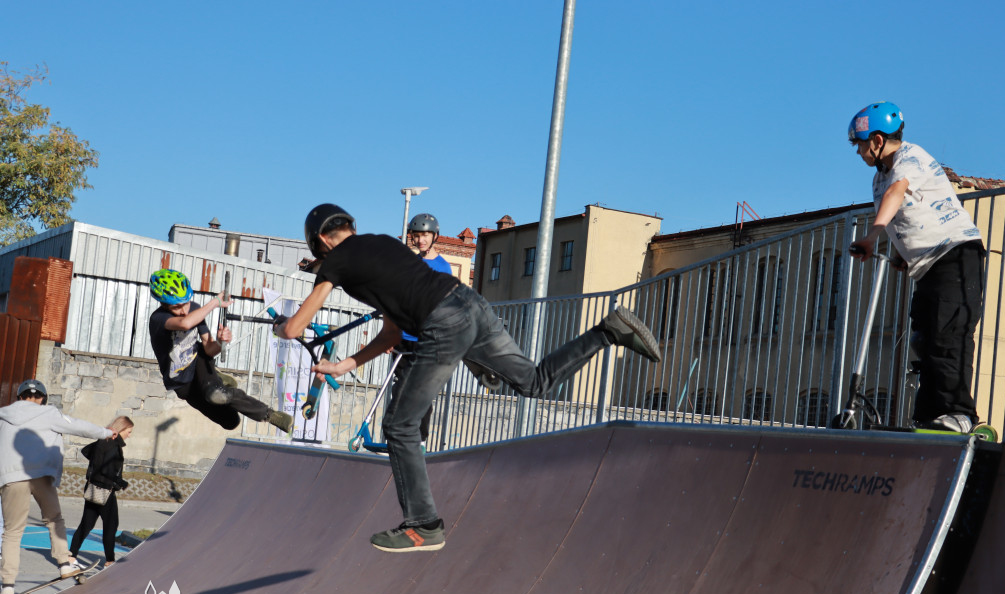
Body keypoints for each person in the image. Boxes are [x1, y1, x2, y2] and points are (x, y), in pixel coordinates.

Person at [275, 203, 662, 553]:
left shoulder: (336, 261)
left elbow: (295, 329)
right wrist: (346, 365)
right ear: (349, 225)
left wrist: (281, 326)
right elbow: (393, 334)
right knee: (534, 382)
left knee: (399, 424)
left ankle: (423, 524)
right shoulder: (384, 245)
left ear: (323, 240)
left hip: (441, 323)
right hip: (471, 305)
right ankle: (609, 331)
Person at [848, 101, 986, 432]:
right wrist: (900, 254)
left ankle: (960, 414)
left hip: (955, 256)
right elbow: (909, 214)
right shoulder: (878, 179)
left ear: (878, 141)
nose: (859, 153)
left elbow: (899, 193)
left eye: (860, 145)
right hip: (927, 266)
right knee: (923, 341)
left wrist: (871, 236)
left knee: (947, 336)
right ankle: (929, 417)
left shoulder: (910, 157)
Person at [0, 380, 116, 594]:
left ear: (19, 396)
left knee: (12, 532)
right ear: (42, 398)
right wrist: (105, 432)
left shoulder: (3, 416)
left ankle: (7, 585)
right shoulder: (49, 414)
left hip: (11, 478)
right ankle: (64, 564)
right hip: (41, 474)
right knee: (54, 520)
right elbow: (79, 426)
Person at [148, 269, 293, 435]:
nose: (183, 310)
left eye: (186, 303)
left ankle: (272, 415)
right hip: (182, 384)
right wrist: (215, 302)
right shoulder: (158, 319)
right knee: (231, 422)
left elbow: (209, 348)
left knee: (215, 393)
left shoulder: (194, 310)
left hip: (199, 360)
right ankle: (218, 381)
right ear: (163, 304)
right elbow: (185, 323)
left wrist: (220, 341)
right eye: (177, 307)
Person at [397, 212, 453, 447]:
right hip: (404, 336)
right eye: (417, 236)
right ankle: (399, 437)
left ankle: (419, 440)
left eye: (425, 236)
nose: (421, 240)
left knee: (422, 391)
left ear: (434, 237)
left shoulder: (442, 267)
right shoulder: (410, 264)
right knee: (399, 390)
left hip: (426, 338)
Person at [68, 416, 134, 570]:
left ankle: (71, 556)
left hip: (92, 488)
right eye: (129, 431)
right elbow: (106, 469)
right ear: (121, 429)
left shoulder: (103, 441)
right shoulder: (112, 445)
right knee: (111, 526)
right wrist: (120, 482)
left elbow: (86, 451)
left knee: (86, 524)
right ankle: (110, 561)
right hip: (105, 490)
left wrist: (95, 462)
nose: (130, 435)